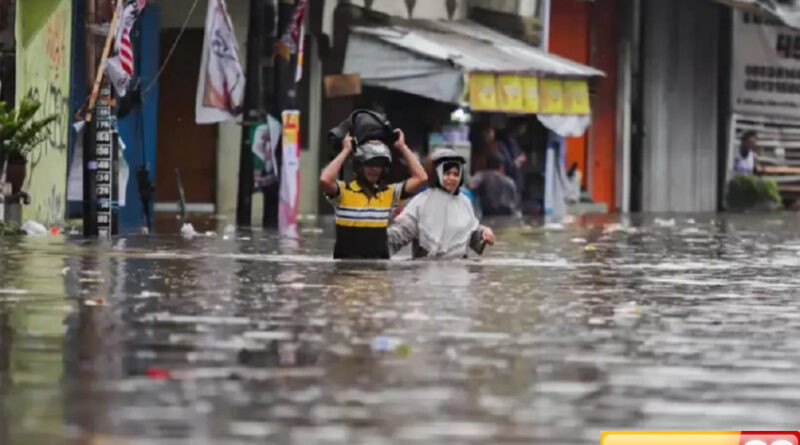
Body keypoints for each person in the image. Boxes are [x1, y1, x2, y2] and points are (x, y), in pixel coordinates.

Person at [319, 129, 427, 259]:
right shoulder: (343, 193)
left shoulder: (388, 193)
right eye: (369, 165)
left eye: (378, 165)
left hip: (380, 273)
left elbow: (421, 178)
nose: (374, 170)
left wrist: (402, 147)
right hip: (346, 274)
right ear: (359, 166)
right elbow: (325, 180)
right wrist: (346, 151)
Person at [388, 148, 495, 259]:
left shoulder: (464, 202)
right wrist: (377, 248)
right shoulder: (421, 202)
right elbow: (400, 233)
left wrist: (484, 232)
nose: (452, 178)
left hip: (460, 271)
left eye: (456, 174)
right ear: (436, 173)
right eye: (447, 173)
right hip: (426, 270)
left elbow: (470, 234)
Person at [469, 151, 519, 216]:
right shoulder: (509, 181)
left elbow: (471, 185)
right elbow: (514, 202)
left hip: (487, 215)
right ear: (501, 167)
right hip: (507, 215)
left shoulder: (481, 175)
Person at [497, 118, 528, 193]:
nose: (523, 130)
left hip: (515, 174)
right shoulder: (505, 141)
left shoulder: (514, 140)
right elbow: (506, 159)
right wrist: (515, 162)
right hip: (509, 175)